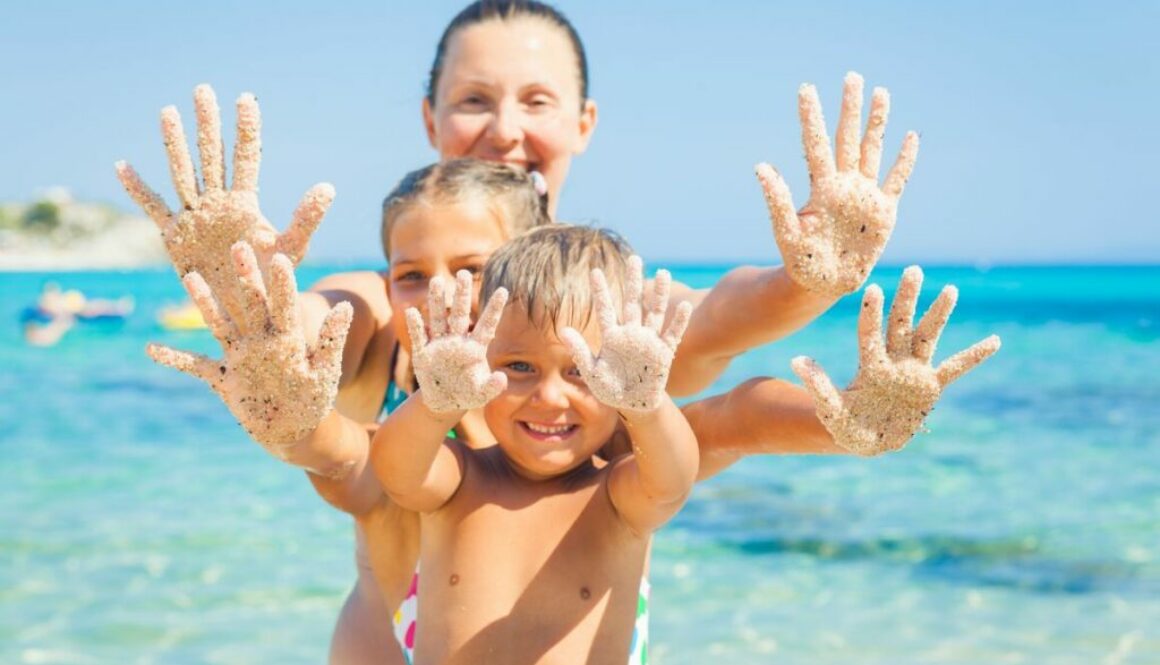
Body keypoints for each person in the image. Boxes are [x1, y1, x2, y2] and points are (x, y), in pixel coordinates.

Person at [114, 3, 995, 661]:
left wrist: (812, 281)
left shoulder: (604, 328)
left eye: (536, 99)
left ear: (583, 122)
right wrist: (252, 297)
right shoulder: (390, 306)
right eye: (474, 99)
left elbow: (726, 361)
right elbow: (315, 330)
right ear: (430, 118)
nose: (504, 128)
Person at [372, 226, 696, 663]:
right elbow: (395, 471)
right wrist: (435, 403)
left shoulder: (617, 498)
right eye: (520, 366)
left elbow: (672, 482)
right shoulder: (460, 479)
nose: (549, 397)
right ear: (482, 358)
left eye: (581, 371)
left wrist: (648, 406)